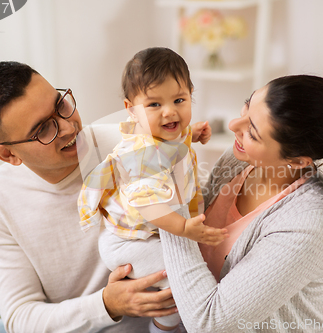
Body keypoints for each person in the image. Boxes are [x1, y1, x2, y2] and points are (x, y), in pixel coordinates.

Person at [159, 75, 323, 332]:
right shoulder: (237, 160)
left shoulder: (310, 220)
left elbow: (210, 323)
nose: (233, 124)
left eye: (252, 132)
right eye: (246, 105)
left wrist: (164, 206)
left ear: (297, 161)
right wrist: (115, 302)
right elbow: (189, 256)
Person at [0, 61, 182, 333]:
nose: (68, 128)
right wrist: (107, 304)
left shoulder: (131, 144)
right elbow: (20, 318)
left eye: (61, 105)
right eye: (43, 129)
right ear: (9, 155)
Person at [77, 47, 225, 332]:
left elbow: (173, 143)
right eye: (154, 105)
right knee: (178, 280)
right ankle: (164, 327)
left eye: (179, 100)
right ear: (131, 109)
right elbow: (149, 206)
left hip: (146, 232)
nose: (170, 111)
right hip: (129, 241)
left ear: (191, 94)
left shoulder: (164, 132)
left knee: (191, 275)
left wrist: (192, 134)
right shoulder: (143, 153)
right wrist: (183, 228)